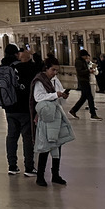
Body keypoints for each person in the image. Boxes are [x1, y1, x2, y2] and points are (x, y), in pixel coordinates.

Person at [31, 56, 74, 186]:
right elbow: (38, 97)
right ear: (46, 68)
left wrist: (63, 96)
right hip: (46, 117)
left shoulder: (55, 80)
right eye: (53, 70)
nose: (55, 73)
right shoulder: (40, 81)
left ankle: (56, 174)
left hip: (56, 116)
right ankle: (40, 176)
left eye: (57, 71)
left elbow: (59, 99)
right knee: (45, 146)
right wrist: (56, 95)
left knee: (57, 144)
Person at [0, 44, 39, 177]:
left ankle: (12, 166)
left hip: (9, 107)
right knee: (27, 137)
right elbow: (40, 67)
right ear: (17, 54)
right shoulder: (26, 66)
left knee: (11, 136)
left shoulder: (4, 67)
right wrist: (32, 54)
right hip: (24, 108)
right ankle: (29, 167)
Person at [69, 49, 101, 121]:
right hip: (83, 80)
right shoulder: (79, 62)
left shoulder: (82, 61)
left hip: (85, 80)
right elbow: (80, 71)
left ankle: (74, 110)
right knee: (90, 97)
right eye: (85, 56)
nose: (86, 57)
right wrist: (88, 71)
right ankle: (93, 114)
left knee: (84, 97)